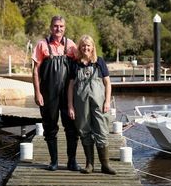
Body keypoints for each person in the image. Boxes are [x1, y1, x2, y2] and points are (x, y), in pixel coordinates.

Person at [32, 15, 80, 171]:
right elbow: (35, 71)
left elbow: (80, 67)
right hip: (48, 94)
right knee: (50, 127)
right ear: (50, 27)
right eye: (55, 26)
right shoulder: (41, 45)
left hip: (68, 95)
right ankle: (54, 161)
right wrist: (37, 93)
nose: (58, 29)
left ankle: (72, 161)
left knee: (72, 127)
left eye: (61, 26)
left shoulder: (71, 45)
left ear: (64, 28)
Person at [67, 35, 116, 175]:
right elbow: (70, 87)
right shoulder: (75, 64)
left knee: (102, 131)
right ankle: (90, 164)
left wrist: (107, 101)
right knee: (84, 131)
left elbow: (107, 83)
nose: (86, 48)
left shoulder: (99, 62)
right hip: (80, 104)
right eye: (83, 45)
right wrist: (70, 105)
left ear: (92, 47)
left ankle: (105, 165)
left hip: (99, 103)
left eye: (88, 45)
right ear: (79, 47)